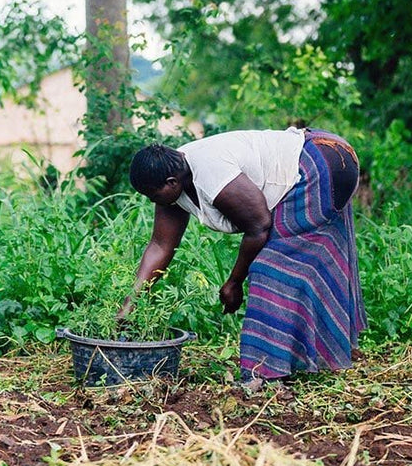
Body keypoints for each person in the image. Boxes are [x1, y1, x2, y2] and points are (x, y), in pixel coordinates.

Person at [125, 128, 365, 386]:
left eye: (152, 195)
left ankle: (264, 373)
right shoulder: (172, 181)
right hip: (321, 156)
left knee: (269, 269)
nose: (152, 201)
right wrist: (131, 302)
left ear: (171, 183)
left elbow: (259, 226)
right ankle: (309, 352)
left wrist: (234, 282)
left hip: (322, 162)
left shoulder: (211, 173)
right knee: (289, 264)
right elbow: (160, 245)